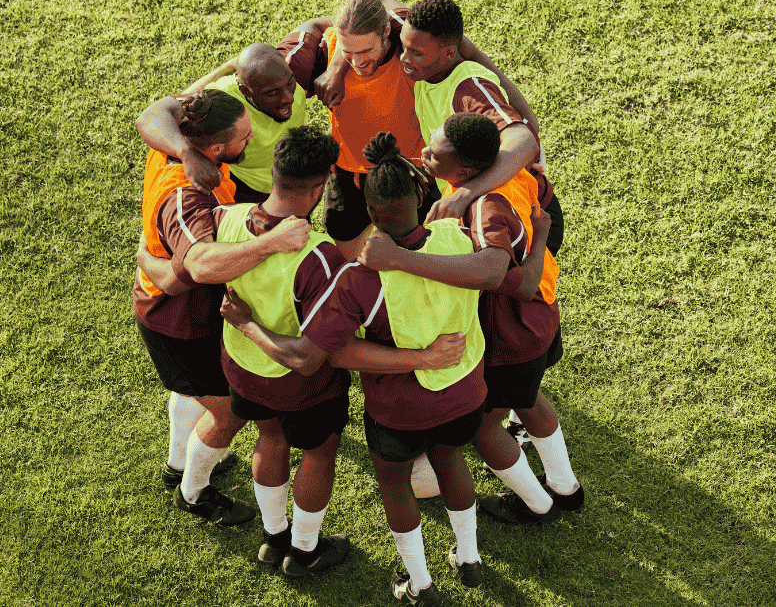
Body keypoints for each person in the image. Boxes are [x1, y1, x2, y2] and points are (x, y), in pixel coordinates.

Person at [223, 131, 541, 602]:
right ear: (420, 194)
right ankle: (468, 557)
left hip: (397, 412)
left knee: (395, 487)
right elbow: (501, 272)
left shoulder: (357, 280)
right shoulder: (460, 240)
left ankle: (420, 581)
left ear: (370, 216)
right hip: (465, 393)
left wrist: (246, 324)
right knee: (452, 460)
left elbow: (329, 354)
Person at [361, 113, 582, 525]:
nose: (424, 152)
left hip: (511, 332)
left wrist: (399, 259)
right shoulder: (508, 179)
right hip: (540, 317)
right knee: (528, 398)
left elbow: (495, 274)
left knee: (481, 427)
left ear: (464, 170)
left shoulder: (484, 208)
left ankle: (539, 504)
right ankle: (566, 487)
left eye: (434, 153)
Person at [134, 89, 319, 527]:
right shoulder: (185, 196)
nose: (251, 142)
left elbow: (154, 110)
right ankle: (192, 492)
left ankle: (180, 463)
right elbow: (197, 265)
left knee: (193, 391)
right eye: (243, 138)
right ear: (216, 148)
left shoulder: (177, 138)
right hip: (176, 318)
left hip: (181, 305)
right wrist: (272, 242)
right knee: (230, 410)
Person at [280, 0, 541, 261]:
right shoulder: (333, 51)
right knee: (348, 260)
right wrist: (337, 65)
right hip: (349, 176)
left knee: (422, 252)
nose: (357, 63)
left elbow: (453, 42)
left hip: (413, 176)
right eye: (349, 53)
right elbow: (328, 25)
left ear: (384, 32)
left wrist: (528, 119)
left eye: (366, 51)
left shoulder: (412, 47)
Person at [397, 0, 563, 256]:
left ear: (450, 52)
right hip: (481, 209)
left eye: (416, 53)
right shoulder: (427, 59)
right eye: (403, 47)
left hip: (521, 215)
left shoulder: (469, 89)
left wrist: (464, 195)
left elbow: (525, 140)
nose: (404, 58)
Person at [134, 44, 308, 203]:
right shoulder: (222, 100)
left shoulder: (288, 66)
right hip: (246, 189)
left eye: (290, 83)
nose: (288, 97)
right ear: (245, 91)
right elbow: (150, 118)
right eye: (272, 93)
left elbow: (322, 25)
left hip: (292, 181)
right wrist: (188, 155)